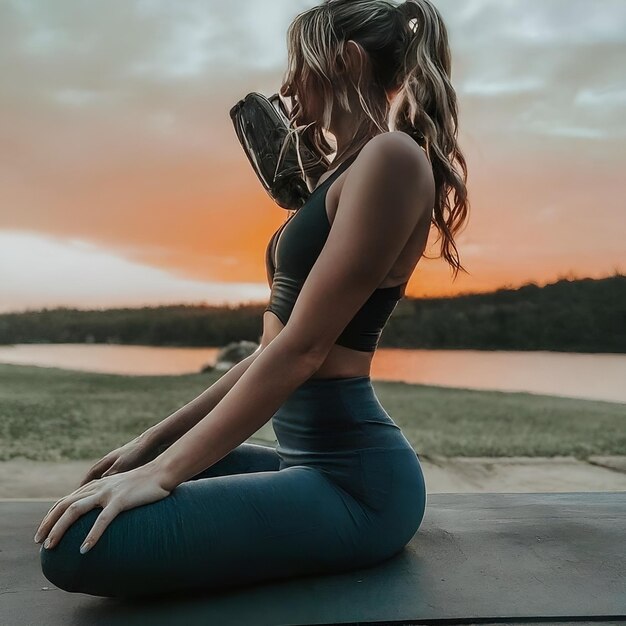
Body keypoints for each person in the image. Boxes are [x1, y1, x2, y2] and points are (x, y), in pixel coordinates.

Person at [36, 0, 470, 598]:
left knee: (77, 551)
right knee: (100, 494)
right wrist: (147, 447)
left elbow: (304, 350)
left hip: (357, 487)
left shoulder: (392, 158)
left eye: (298, 66)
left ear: (343, 60)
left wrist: (163, 476)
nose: (287, 87)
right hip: (302, 462)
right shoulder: (342, 173)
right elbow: (266, 352)